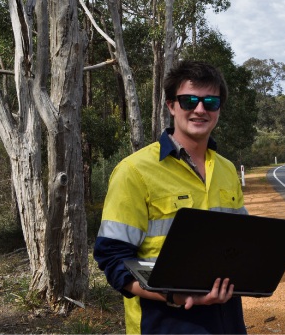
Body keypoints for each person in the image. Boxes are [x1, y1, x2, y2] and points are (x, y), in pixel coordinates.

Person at [94, 60, 248, 334]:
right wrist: (175, 296)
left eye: (210, 102)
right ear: (171, 106)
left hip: (227, 322)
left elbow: (241, 242)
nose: (200, 109)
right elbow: (113, 260)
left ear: (219, 109)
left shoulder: (226, 169)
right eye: (189, 100)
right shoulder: (134, 171)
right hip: (164, 323)